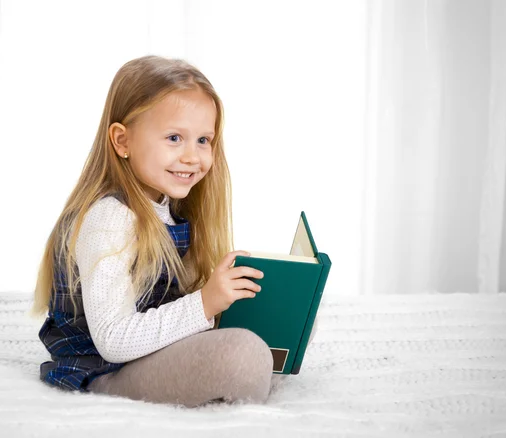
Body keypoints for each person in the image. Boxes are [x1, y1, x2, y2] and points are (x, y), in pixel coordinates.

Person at [30, 55, 308, 408]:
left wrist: (224, 298)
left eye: (204, 140)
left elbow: (169, 302)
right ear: (122, 141)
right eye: (174, 138)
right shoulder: (109, 218)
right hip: (104, 370)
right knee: (243, 355)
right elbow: (113, 339)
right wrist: (204, 304)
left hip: (145, 353)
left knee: (281, 324)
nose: (193, 157)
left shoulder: (165, 207)